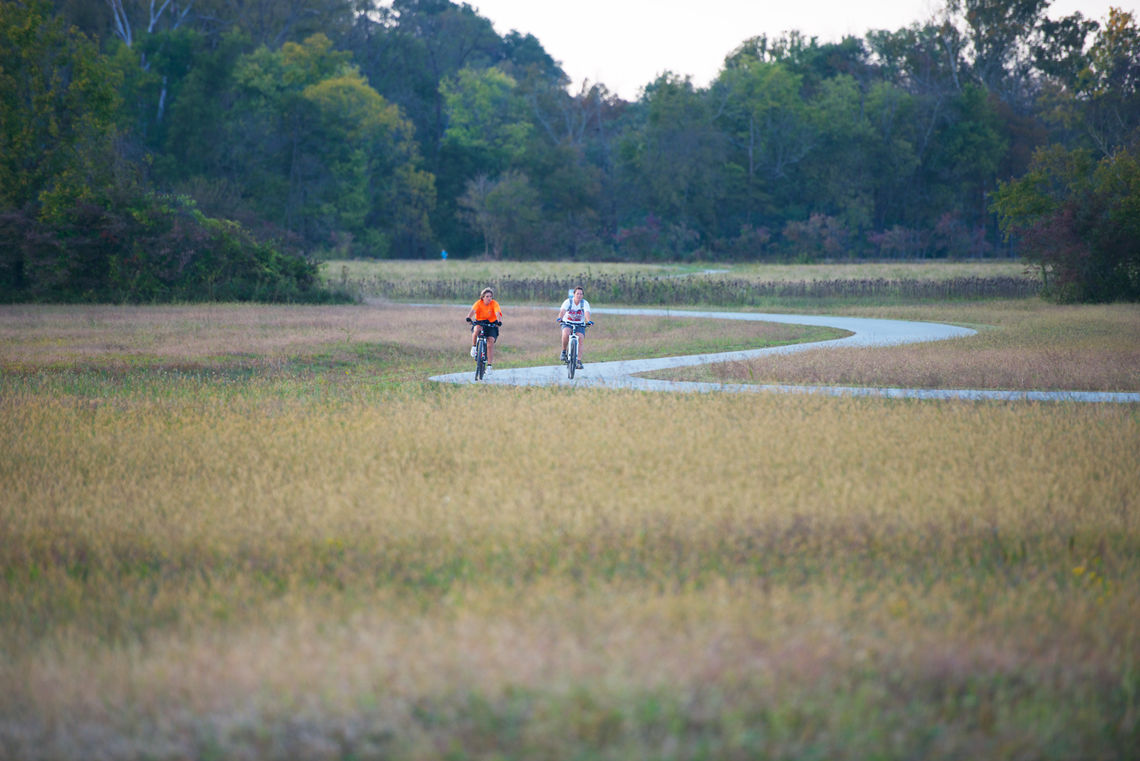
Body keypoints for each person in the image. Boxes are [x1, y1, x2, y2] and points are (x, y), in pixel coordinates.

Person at [466, 287, 502, 371]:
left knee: (490, 342)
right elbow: (472, 311)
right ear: (482, 297)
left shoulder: (494, 303)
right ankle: (474, 347)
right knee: (477, 329)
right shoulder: (478, 303)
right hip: (480, 322)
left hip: (491, 324)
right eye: (487, 296)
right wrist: (468, 317)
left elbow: (497, 313)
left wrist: (499, 321)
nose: (489, 298)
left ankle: (489, 366)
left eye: (490, 296)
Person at [557, 285, 591, 368]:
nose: (579, 296)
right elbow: (562, 311)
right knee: (566, 333)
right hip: (567, 322)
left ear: (583, 295)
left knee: (580, 338)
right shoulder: (568, 302)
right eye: (577, 294)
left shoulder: (584, 303)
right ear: (574, 294)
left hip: (580, 324)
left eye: (581, 294)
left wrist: (588, 320)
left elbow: (587, 312)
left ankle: (578, 361)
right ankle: (564, 352)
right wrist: (560, 318)